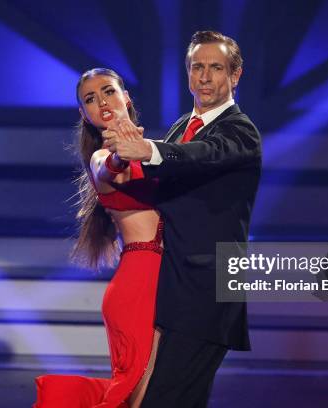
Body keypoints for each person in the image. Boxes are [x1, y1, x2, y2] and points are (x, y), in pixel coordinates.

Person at [103, 31, 262, 407]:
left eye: (216, 68)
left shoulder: (240, 131)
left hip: (206, 292)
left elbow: (203, 154)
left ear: (236, 75)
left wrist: (148, 150)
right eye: (197, 67)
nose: (205, 77)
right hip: (170, 289)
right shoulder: (180, 127)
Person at [34, 68, 162, 408]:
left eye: (108, 91)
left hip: (164, 281)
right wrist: (123, 153)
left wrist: (140, 149)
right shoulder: (101, 158)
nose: (102, 102)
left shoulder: (155, 151)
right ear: (84, 114)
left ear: (126, 97)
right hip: (139, 284)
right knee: (141, 392)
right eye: (91, 99)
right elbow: (110, 168)